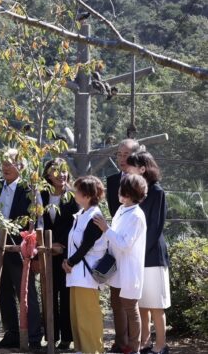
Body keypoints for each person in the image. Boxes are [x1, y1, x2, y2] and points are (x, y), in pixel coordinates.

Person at [0, 148, 43, 350]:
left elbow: (37, 222)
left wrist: (30, 248)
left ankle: (34, 336)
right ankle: (11, 333)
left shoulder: (30, 190)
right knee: (4, 293)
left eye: (9, 162)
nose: (5, 167)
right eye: (3, 162)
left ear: (21, 165)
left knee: (26, 292)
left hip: (20, 248)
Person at [94, 174, 148, 354]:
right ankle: (120, 343)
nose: (118, 191)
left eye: (121, 188)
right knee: (116, 305)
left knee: (131, 309)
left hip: (129, 270)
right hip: (116, 270)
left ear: (130, 192)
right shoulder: (121, 210)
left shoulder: (137, 215)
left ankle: (134, 348)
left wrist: (106, 229)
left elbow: (125, 244)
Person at [126, 152, 170, 354]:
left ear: (142, 169)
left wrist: (139, 252)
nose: (127, 170)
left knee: (156, 305)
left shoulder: (157, 192)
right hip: (139, 256)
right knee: (142, 305)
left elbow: (155, 227)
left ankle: (161, 346)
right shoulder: (136, 194)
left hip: (152, 256)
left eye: (131, 167)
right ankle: (145, 343)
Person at [63, 175, 107, 354]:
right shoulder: (81, 214)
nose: (75, 193)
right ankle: (81, 349)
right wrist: (69, 262)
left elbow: (86, 244)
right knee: (77, 315)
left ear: (87, 195)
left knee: (88, 314)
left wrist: (70, 262)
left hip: (86, 274)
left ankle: (93, 350)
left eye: (78, 190)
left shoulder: (95, 215)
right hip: (75, 273)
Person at [41, 158, 80, 350]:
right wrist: (46, 244)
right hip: (46, 253)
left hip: (67, 254)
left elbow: (78, 225)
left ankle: (67, 337)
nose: (62, 175)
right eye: (57, 171)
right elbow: (38, 223)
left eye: (64, 171)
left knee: (65, 297)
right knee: (48, 295)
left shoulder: (73, 196)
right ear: (48, 174)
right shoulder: (40, 195)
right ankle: (50, 335)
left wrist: (62, 245)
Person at [106, 139, 141, 217]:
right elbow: (113, 213)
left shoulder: (146, 183)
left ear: (136, 156)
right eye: (119, 155)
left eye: (125, 155)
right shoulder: (111, 181)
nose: (122, 159)